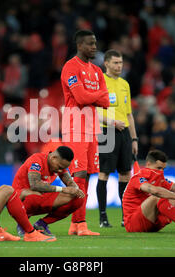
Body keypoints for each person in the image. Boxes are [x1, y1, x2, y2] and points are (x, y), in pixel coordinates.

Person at [60, 29, 110, 236]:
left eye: (95, 43)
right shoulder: (70, 67)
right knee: (78, 174)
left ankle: (75, 224)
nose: (94, 47)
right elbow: (79, 98)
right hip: (75, 126)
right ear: (80, 45)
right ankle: (80, 223)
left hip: (92, 128)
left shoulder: (97, 71)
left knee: (88, 175)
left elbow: (106, 101)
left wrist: (93, 96)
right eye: (90, 44)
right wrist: (96, 96)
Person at [96, 49, 139, 228]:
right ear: (106, 63)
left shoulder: (124, 84)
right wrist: (112, 122)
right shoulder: (100, 83)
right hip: (107, 132)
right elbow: (95, 112)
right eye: (115, 63)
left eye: (120, 63)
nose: (119, 66)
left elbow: (129, 114)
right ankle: (103, 217)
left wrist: (134, 139)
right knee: (104, 173)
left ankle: (125, 216)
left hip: (124, 134)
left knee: (125, 174)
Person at [12, 146, 85, 236]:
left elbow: (70, 182)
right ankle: (23, 224)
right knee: (35, 194)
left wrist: (76, 189)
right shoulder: (37, 160)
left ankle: (41, 224)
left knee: (78, 199)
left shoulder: (58, 164)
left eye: (62, 168)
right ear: (53, 157)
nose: (60, 170)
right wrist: (63, 189)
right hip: (20, 201)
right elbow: (35, 185)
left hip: (40, 198)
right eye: (59, 167)